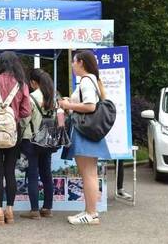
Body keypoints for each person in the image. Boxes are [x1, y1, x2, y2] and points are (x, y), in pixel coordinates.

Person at [58, 50, 111, 225]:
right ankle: (90, 211)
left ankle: (91, 213)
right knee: (90, 173)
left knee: (88, 173)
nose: (72, 65)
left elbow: (90, 106)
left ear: (80, 62)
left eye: (74, 62)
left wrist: (67, 104)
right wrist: (71, 102)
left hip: (84, 131)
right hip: (90, 132)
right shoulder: (92, 80)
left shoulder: (86, 80)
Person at [0, 51, 31, 225]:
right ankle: (10, 210)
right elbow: (26, 111)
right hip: (13, 132)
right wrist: (14, 112)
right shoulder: (21, 83)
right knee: (10, 171)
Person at [19, 68, 55, 220]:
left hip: (31, 141)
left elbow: (24, 121)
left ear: (33, 83)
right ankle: (47, 208)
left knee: (33, 175)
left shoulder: (30, 98)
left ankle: (34, 210)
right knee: (47, 175)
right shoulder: (54, 97)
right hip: (47, 141)